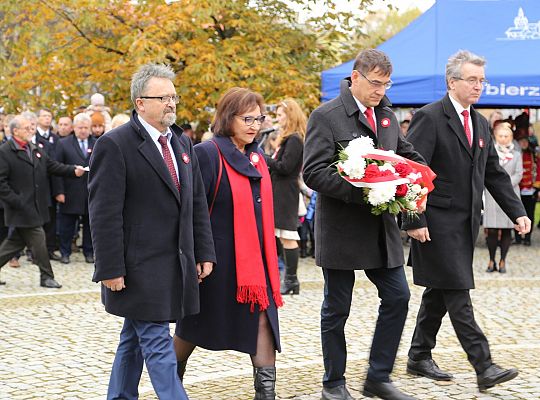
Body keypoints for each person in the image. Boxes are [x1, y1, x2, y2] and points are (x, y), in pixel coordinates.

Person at [403, 50, 530, 392]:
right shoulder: (429, 118)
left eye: (481, 80)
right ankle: (483, 364)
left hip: (465, 224)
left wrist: (517, 211)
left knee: (439, 292)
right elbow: (413, 171)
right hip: (436, 222)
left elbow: (493, 173)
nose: (478, 86)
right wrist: (413, 218)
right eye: (472, 80)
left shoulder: (480, 122)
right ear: (452, 82)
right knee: (457, 291)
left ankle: (418, 355)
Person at [303, 49, 425, 400]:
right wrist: (367, 191)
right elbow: (313, 171)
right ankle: (334, 382)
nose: (381, 91)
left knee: (398, 297)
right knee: (337, 307)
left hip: (380, 231)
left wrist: (423, 174)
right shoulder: (325, 116)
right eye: (375, 83)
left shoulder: (386, 114)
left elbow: (402, 152)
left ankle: (378, 377)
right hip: (341, 228)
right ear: (355, 77)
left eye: (386, 84)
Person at [88, 63, 215, 399]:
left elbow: (196, 202)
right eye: (163, 97)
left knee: (133, 339)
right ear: (140, 102)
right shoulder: (115, 145)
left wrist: (203, 252)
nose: (171, 103)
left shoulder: (182, 144)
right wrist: (110, 268)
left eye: (173, 96)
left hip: (173, 263)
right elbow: (103, 214)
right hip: (136, 268)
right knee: (158, 344)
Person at [174, 88, 283, 400]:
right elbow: (192, 207)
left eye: (258, 119)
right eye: (246, 118)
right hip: (216, 262)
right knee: (191, 328)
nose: (253, 125)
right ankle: (169, 381)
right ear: (227, 117)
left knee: (263, 322)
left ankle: (266, 395)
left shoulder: (257, 156)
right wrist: (197, 253)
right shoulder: (207, 154)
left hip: (254, 263)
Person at [0, 115, 85, 287]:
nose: (31, 130)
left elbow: (52, 166)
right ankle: (46, 276)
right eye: (27, 128)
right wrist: (17, 201)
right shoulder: (5, 152)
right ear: (15, 131)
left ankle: (46, 276)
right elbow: (1, 183)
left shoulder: (34, 148)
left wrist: (73, 171)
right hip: (21, 208)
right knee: (39, 240)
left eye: (31, 127)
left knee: (13, 244)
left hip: (36, 205)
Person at [265, 99, 305, 295]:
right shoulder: (288, 139)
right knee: (279, 235)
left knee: (287, 236)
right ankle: (284, 278)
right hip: (279, 191)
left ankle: (291, 280)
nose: (278, 118)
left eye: (281, 115)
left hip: (285, 193)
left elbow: (286, 168)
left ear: (290, 116)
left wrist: (264, 159)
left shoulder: (295, 139)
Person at [54, 113, 96, 264]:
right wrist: (59, 191)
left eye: (86, 127)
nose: (83, 130)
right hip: (70, 191)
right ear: (74, 128)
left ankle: (89, 252)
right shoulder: (63, 143)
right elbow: (56, 169)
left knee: (90, 226)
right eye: (80, 127)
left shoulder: (97, 143)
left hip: (91, 192)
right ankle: (65, 252)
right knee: (67, 226)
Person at [482, 123, 522, 273]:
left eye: (507, 136)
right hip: (492, 196)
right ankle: (491, 259)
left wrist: (503, 186)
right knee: (491, 230)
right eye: (501, 136)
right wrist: (497, 187)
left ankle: (503, 260)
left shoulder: (517, 155)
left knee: (507, 231)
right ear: (495, 137)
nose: (504, 139)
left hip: (510, 195)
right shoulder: (490, 153)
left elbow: (519, 174)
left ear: (511, 137)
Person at [516, 134, 539, 245]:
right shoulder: (515, 154)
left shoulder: (534, 156)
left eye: (526, 141)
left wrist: (537, 188)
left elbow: (538, 172)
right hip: (517, 189)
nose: (524, 144)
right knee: (516, 214)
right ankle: (518, 238)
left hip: (531, 190)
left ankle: (528, 238)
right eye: (521, 141)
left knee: (530, 214)